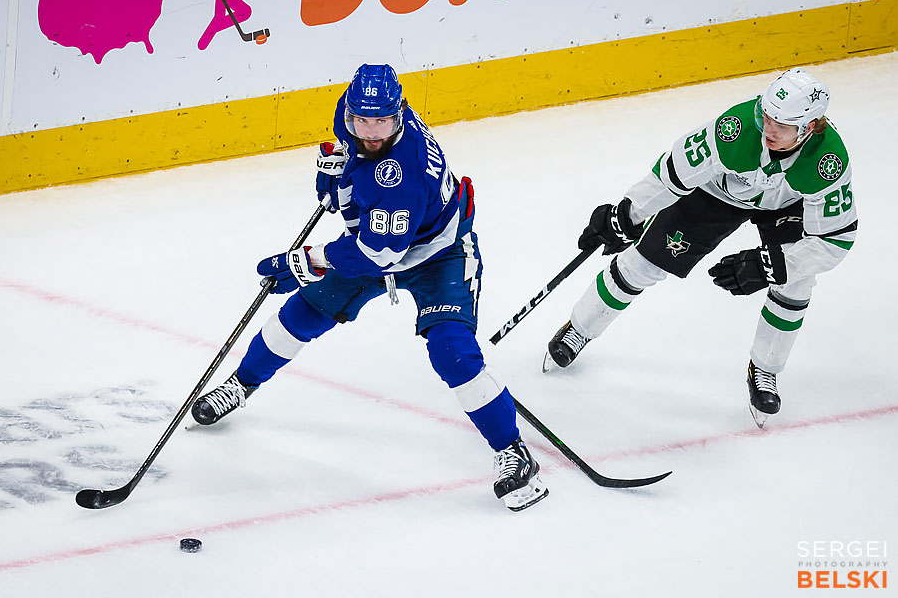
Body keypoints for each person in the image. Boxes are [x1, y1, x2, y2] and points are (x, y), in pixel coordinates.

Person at [191, 64, 548, 511]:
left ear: (398, 115)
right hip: (377, 241)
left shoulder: (405, 170)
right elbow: (350, 158)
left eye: (380, 122)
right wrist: (336, 173)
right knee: (303, 314)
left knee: (452, 352)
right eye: (362, 121)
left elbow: (378, 255)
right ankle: (240, 385)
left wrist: (302, 261)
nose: (370, 131)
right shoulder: (353, 113)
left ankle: (513, 452)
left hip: (439, 253)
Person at [543, 68, 856, 428]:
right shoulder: (737, 129)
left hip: (787, 205)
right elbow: (673, 172)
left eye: (782, 126)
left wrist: (770, 265)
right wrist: (627, 215)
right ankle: (580, 327)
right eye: (767, 116)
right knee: (643, 263)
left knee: (795, 281)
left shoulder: (827, 163)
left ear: (811, 128)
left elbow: (835, 240)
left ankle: (765, 369)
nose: (768, 129)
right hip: (719, 194)